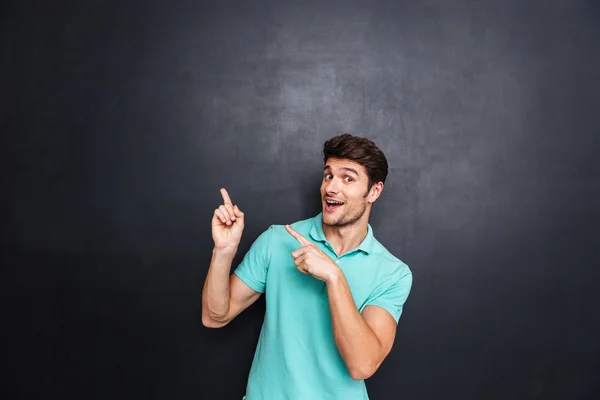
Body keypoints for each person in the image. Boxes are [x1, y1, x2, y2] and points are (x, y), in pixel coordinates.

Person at [201, 133, 413, 400]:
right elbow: (214, 317)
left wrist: (334, 277)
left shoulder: (393, 273)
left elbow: (362, 365)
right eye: (328, 175)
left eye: (348, 178)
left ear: (374, 191)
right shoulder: (277, 241)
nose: (331, 188)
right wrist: (223, 251)